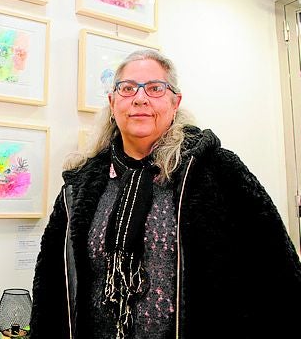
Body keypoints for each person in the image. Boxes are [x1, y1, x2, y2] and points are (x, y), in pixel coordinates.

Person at [29, 49, 301, 339]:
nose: (140, 98)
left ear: (175, 103)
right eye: (127, 88)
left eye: (156, 88)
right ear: (112, 102)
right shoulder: (79, 184)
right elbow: (50, 285)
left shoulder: (217, 169)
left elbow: (279, 271)